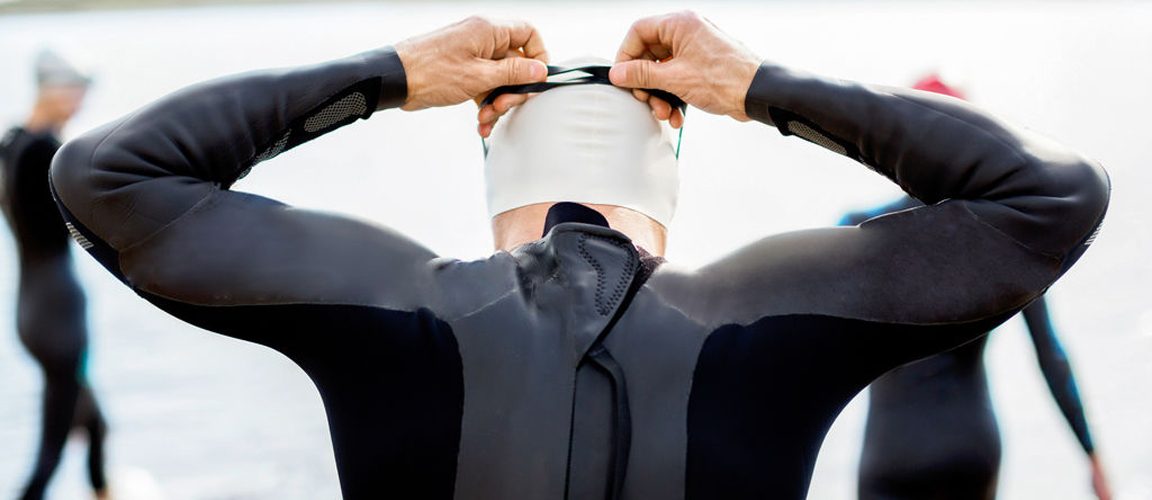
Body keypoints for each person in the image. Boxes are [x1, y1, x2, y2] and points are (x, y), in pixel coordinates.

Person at [48, 11, 1109, 500]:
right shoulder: (767, 327)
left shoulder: (392, 315)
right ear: (670, 170)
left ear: (489, 158)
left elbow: (110, 177)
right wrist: (757, 87)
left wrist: (394, 74)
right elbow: (1049, 195)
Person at [844, 76, 1110, 500]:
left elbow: (811, 347)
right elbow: (1050, 353)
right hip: (969, 449)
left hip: (893, 451)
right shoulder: (1006, 237)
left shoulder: (859, 230)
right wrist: (1091, 454)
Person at [1, 50, 109, 500]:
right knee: (50, 454)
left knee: (96, 427)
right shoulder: (47, 152)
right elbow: (89, 222)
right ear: (49, 90)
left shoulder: (11, 144)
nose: (79, 102)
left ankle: (102, 490)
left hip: (32, 311)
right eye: (74, 91)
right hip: (58, 317)